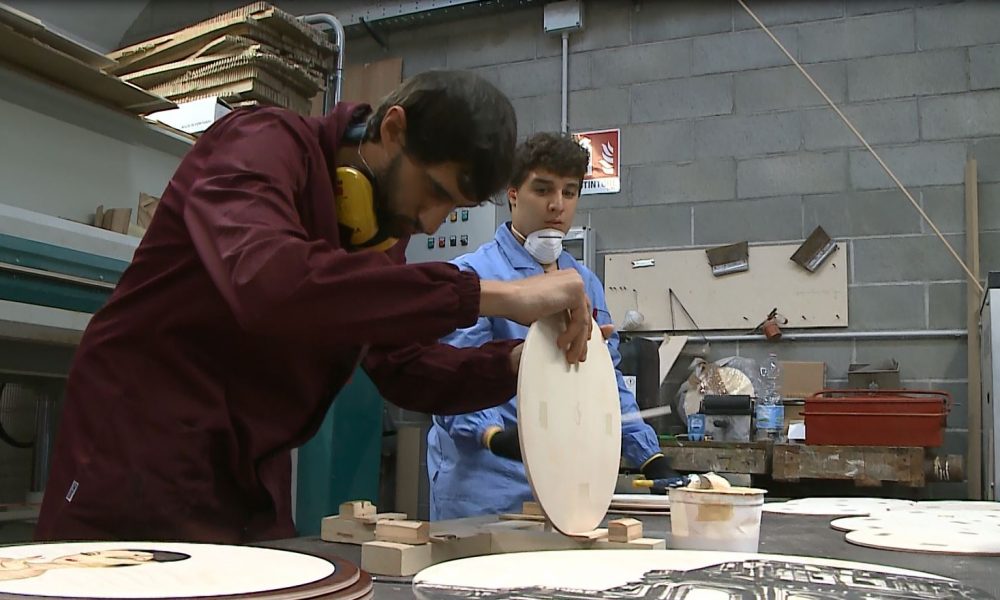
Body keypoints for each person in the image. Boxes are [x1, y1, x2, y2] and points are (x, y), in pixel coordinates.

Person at [35, 71, 598, 544]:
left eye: (452, 208)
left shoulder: (378, 227)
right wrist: (489, 294)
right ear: (393, 128)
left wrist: (515, 364)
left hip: (246, 475)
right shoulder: (258, 145)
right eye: (433, 192)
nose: (429, 221)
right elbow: (270, 286)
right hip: (138, 457)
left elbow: (401, 364)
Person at [427, 132, 678, 520]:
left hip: (566, 483)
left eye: (570, 192)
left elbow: (605, 380)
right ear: (513, 194)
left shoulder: (584, 284)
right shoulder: (475, 276)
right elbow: (454, 379)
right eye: (542, 189)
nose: (556, 205)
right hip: (486, 483)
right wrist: (494, 438)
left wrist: (649, 456)